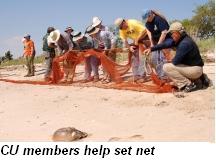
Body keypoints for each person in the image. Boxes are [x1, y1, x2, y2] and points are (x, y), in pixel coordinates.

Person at [144, 22, 206, 92]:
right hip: (196, 68)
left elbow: (175, 62)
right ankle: (200, 79)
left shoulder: (184, 44)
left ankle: (187, 84)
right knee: (172, 64)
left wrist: (165, 62)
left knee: (167, 67)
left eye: (172, 33)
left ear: (178, 32)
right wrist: (151, 49)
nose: (171, 35)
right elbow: (164, 45)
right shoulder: (181, 39)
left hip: (195, 70)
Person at [114, 18, 149, 82]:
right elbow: (125, 41)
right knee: (134, 58)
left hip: (145, 39)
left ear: (124, 22)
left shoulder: (133, 23)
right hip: (136, 41)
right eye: (120, 27)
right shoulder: (121, 30)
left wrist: (138, 39)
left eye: (121, 26)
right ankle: (136, 75)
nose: (121, 28)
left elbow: (145, 30)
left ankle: (142, 76)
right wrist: (129, 48)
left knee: (142, 58)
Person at [140, 9, 171, 79]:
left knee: (163, 58)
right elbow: (149, 32)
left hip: (166, 41)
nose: (146, 20)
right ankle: (162, 76)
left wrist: (158, 45)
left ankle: (166, 76)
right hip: (156, 42)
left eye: (147, 18)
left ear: (150, 15)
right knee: (155, 58)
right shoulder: (147, 23)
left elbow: (164, 32)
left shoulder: (159, 19)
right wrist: (152, 43)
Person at [91, 17, 117, 83]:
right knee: (104, 64)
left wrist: (108, 50)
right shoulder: (95, 33)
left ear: (100, 23)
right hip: (104, 48)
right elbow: (98, 44)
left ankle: (108, 77)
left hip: (111, 46)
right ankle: (105, 76)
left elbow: (111, 40)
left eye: (98, 24)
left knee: (109, 62)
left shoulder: (104, 30)